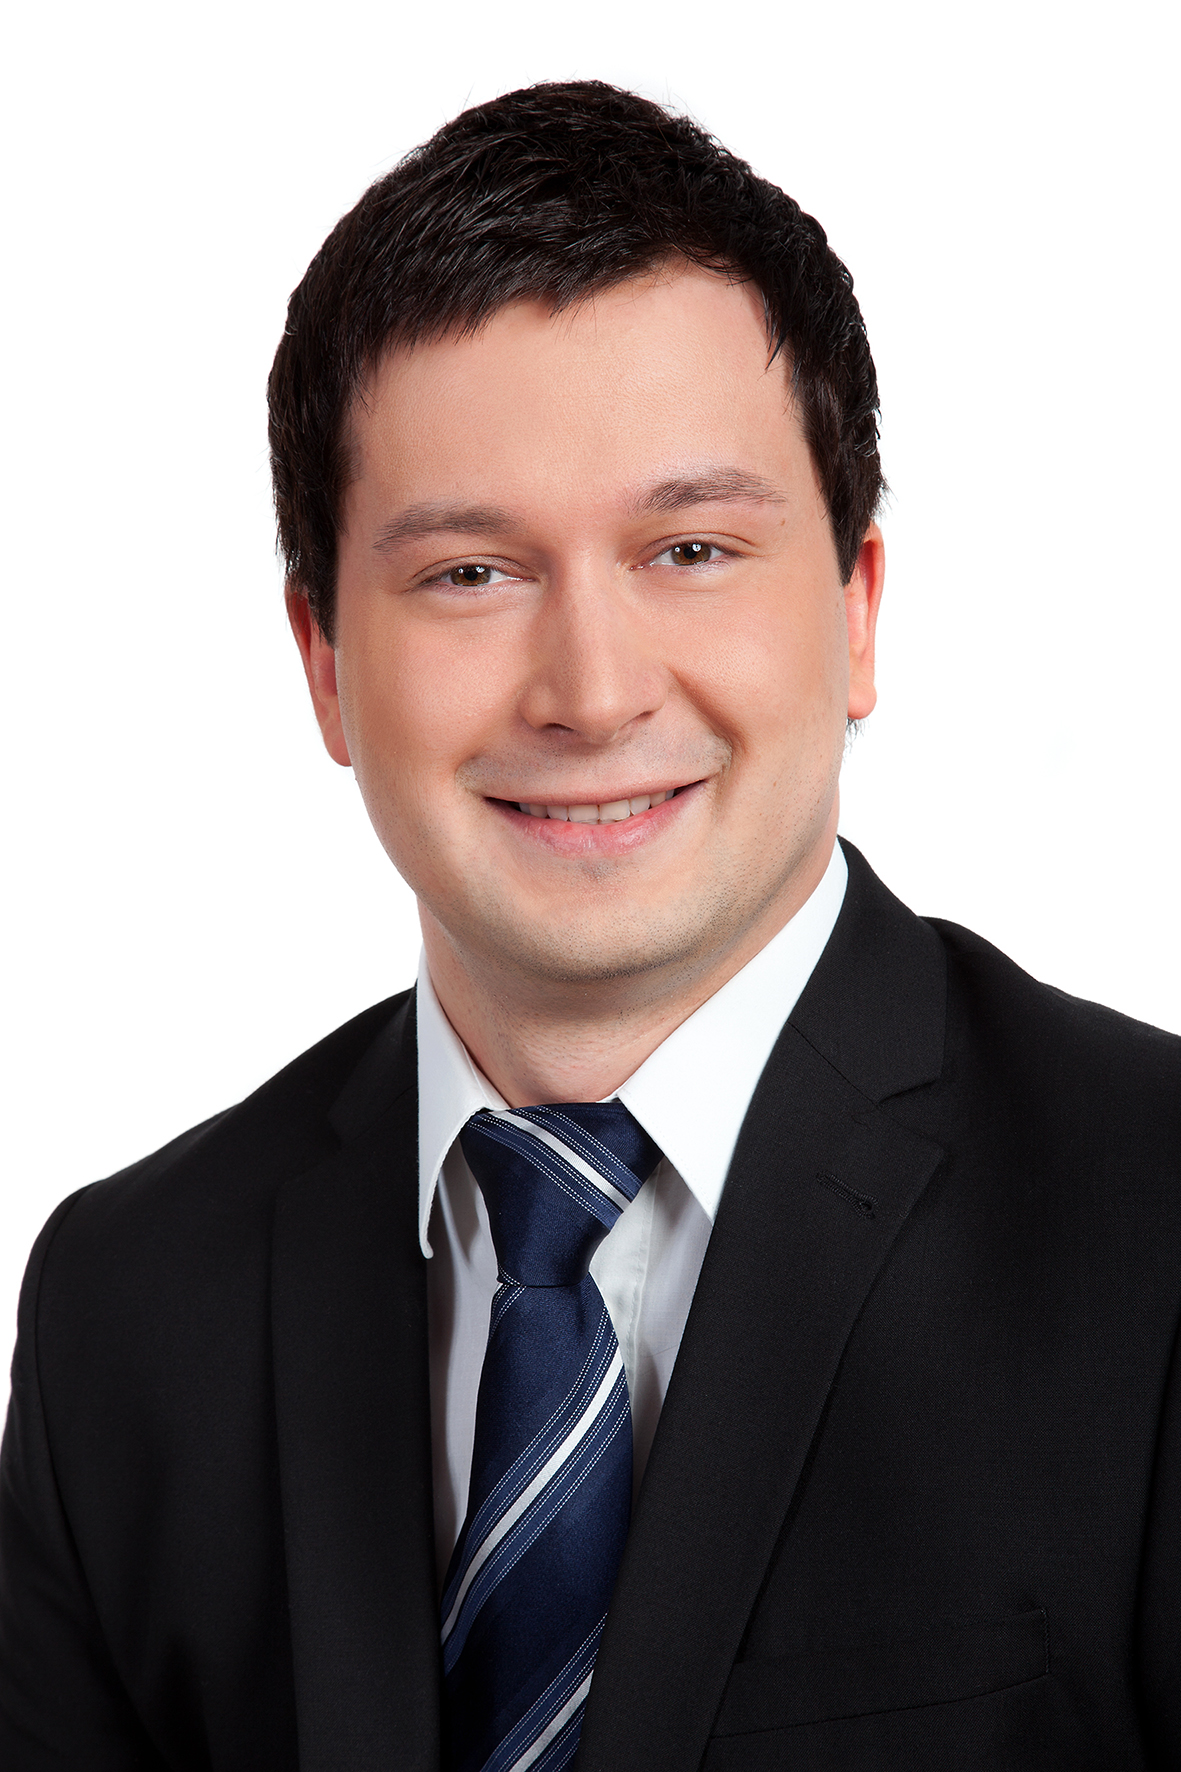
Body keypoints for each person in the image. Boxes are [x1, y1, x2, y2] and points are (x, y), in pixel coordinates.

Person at [1, 79, 1178, 1772]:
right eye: (470, 574)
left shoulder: (1155, 1225)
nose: (593, 690)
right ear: (323, 662)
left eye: (688, 548)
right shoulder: (127, 1312)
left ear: (855, 610)